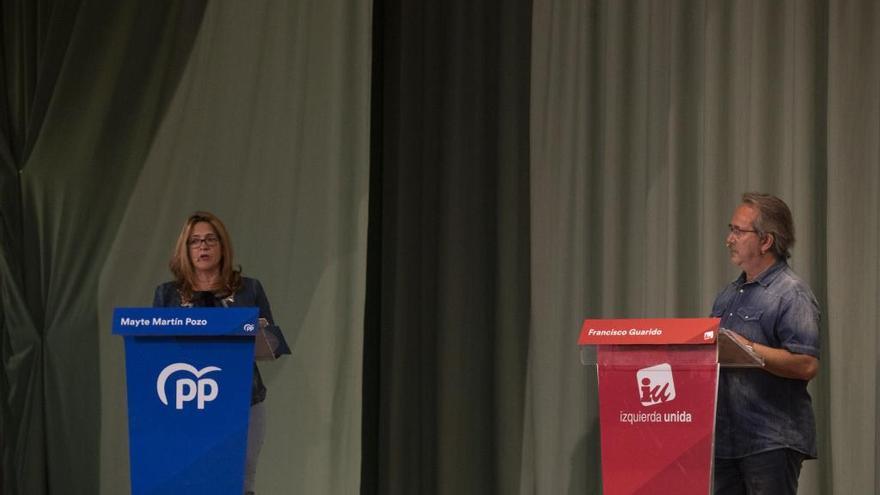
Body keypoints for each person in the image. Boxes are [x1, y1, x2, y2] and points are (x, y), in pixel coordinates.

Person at [153, 211, 290, 495]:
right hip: (186, 402)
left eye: (210, 240)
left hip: (243, 402)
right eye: (195, 241)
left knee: (238, 484)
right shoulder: (167, 295)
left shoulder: (248, 289)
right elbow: (155, 351)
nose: (203, 247)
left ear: (222, 246)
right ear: (185, 249)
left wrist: (255, 330)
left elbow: (274, 342)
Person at [711, 193, 820, 495]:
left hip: (769, 441)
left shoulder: (791, 293)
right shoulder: (728, 296)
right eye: (730, 229)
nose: (729, 239)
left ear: (766, 241)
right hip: (725, 442)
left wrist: (749, 349)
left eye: (738, 231)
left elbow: (807, 364)